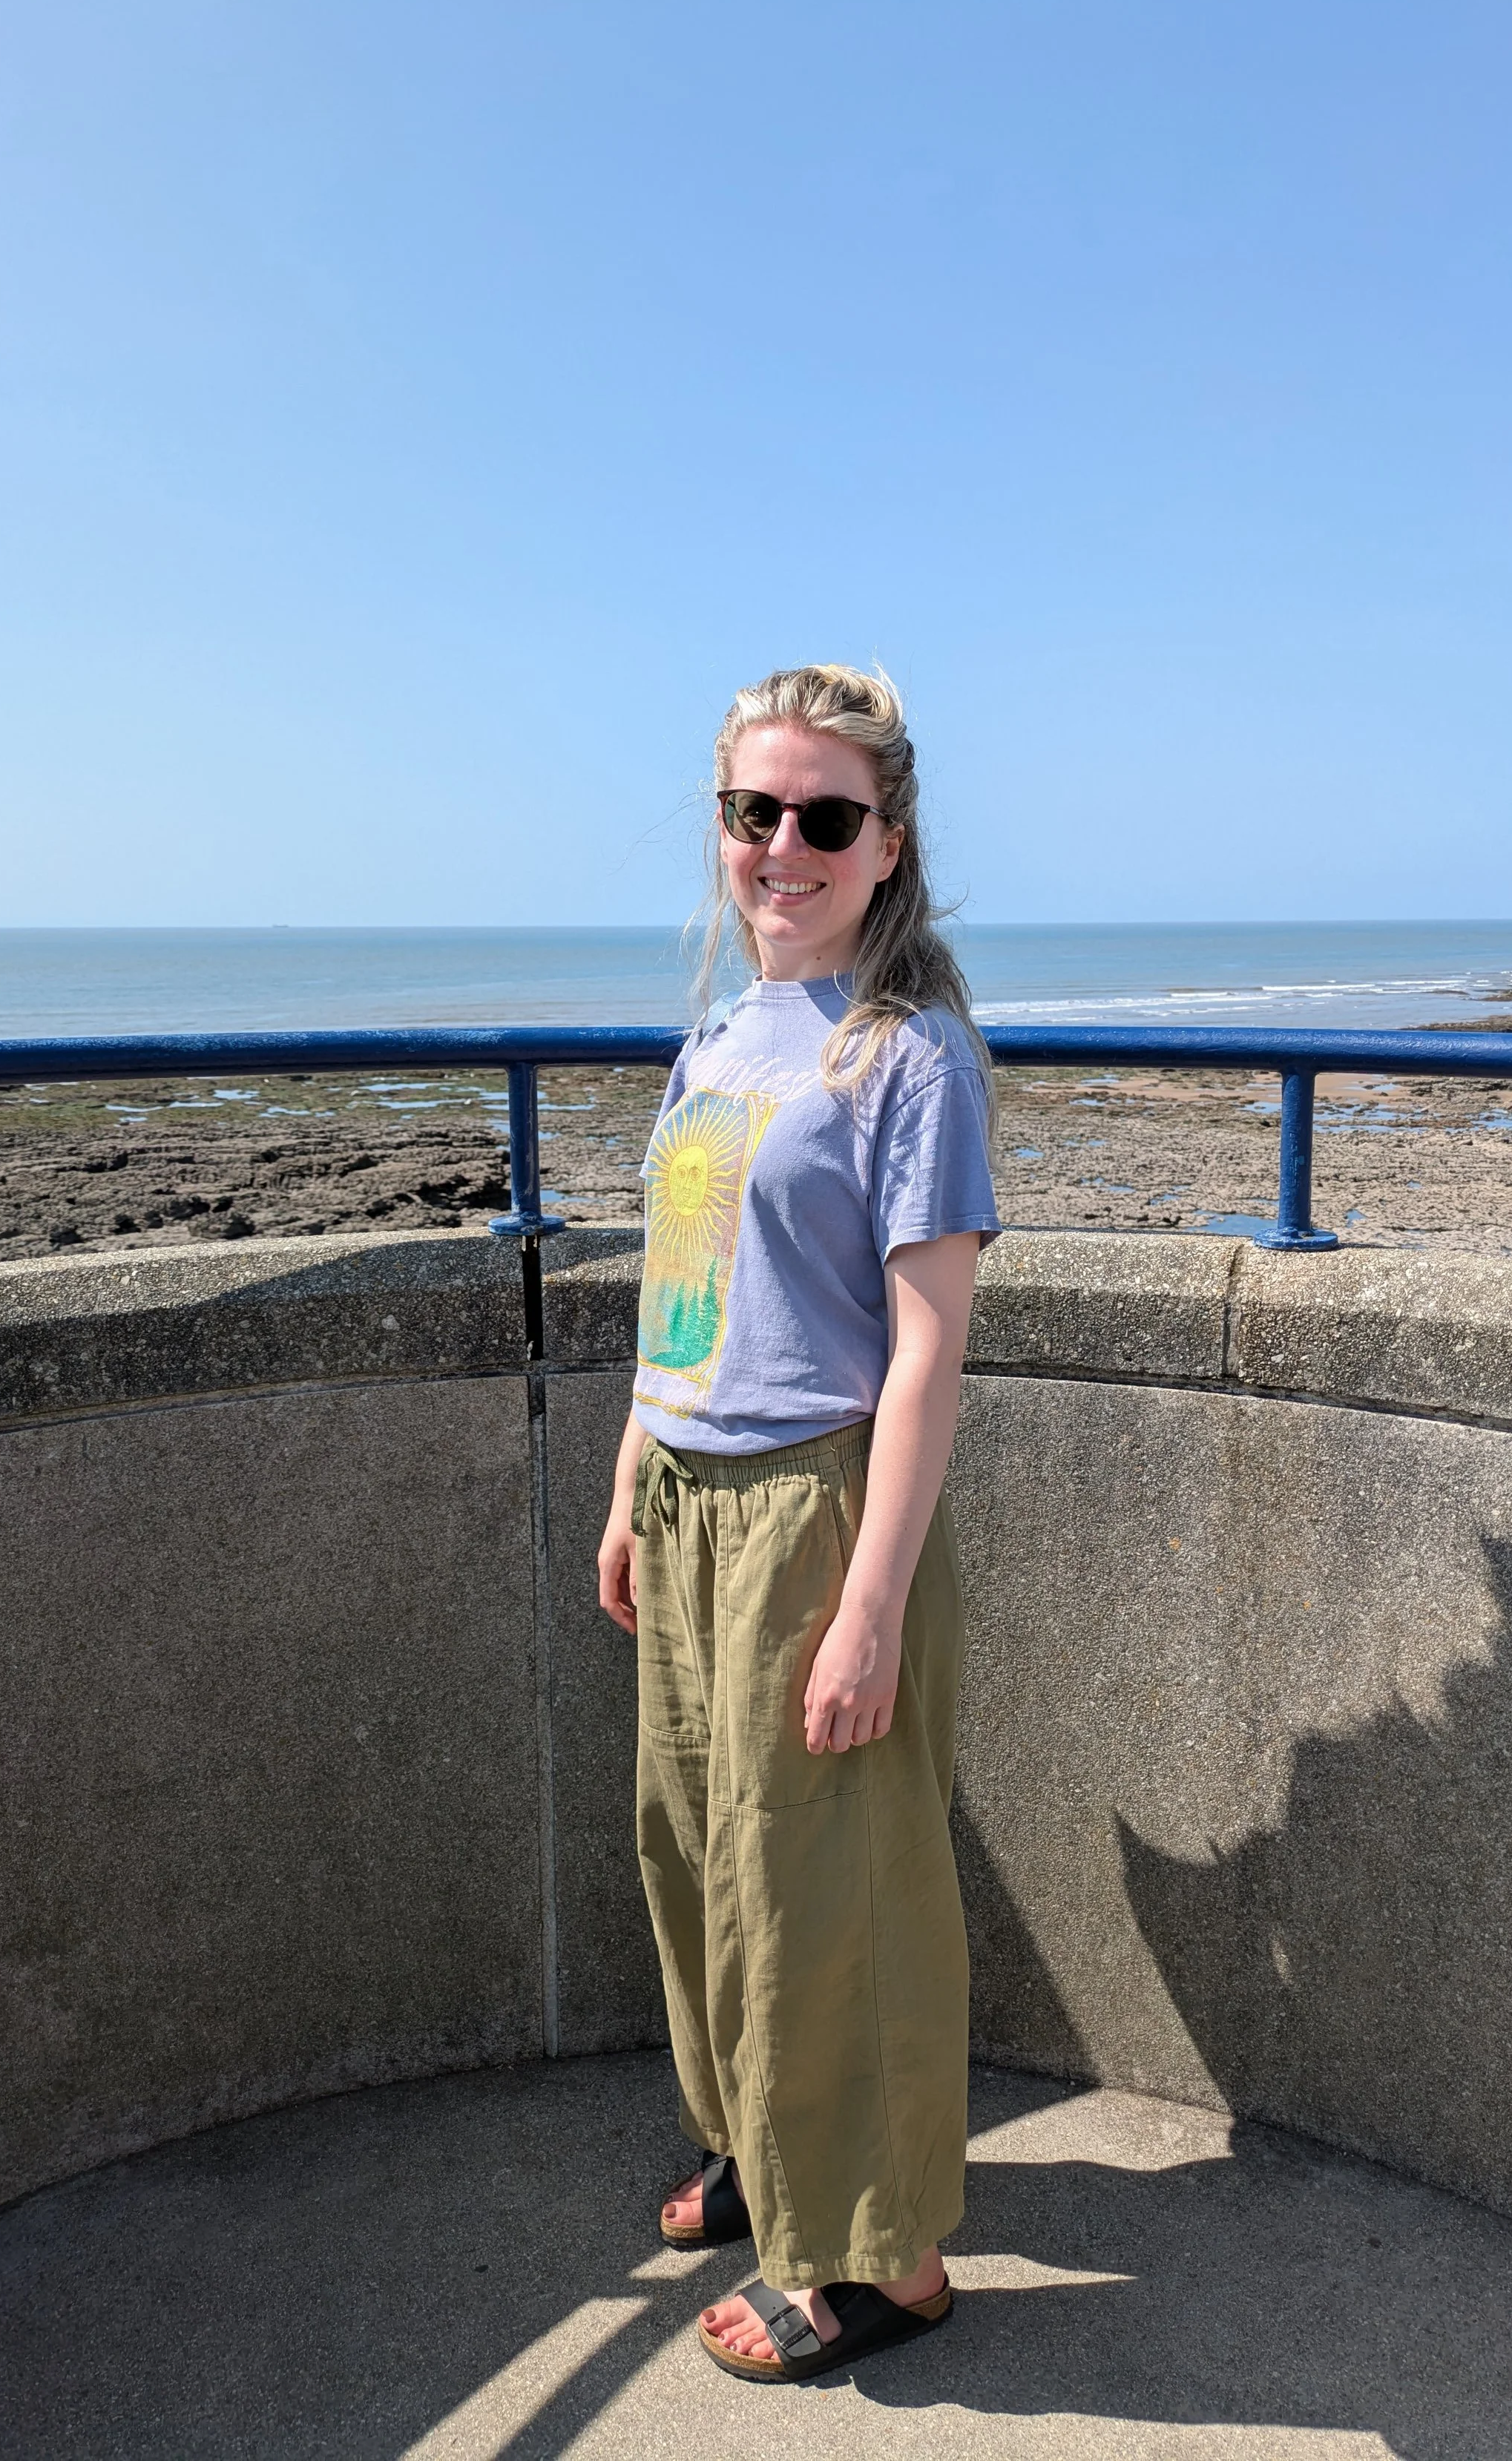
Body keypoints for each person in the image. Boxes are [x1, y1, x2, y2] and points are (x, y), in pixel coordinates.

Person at [596, 664, 1000, 2384]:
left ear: (886, 843)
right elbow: (681, 1284)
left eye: (823, 816)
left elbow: (923, 1355)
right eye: (752, 812)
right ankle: (765, 2148)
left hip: (811, 1512)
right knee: (695, 1859)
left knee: (832, 1892)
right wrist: (629, 1474)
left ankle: (883, 2254)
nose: (782, 844)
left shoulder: (907, 1056)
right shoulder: (719, 1031)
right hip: (688, 1493)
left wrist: (872, 1605)